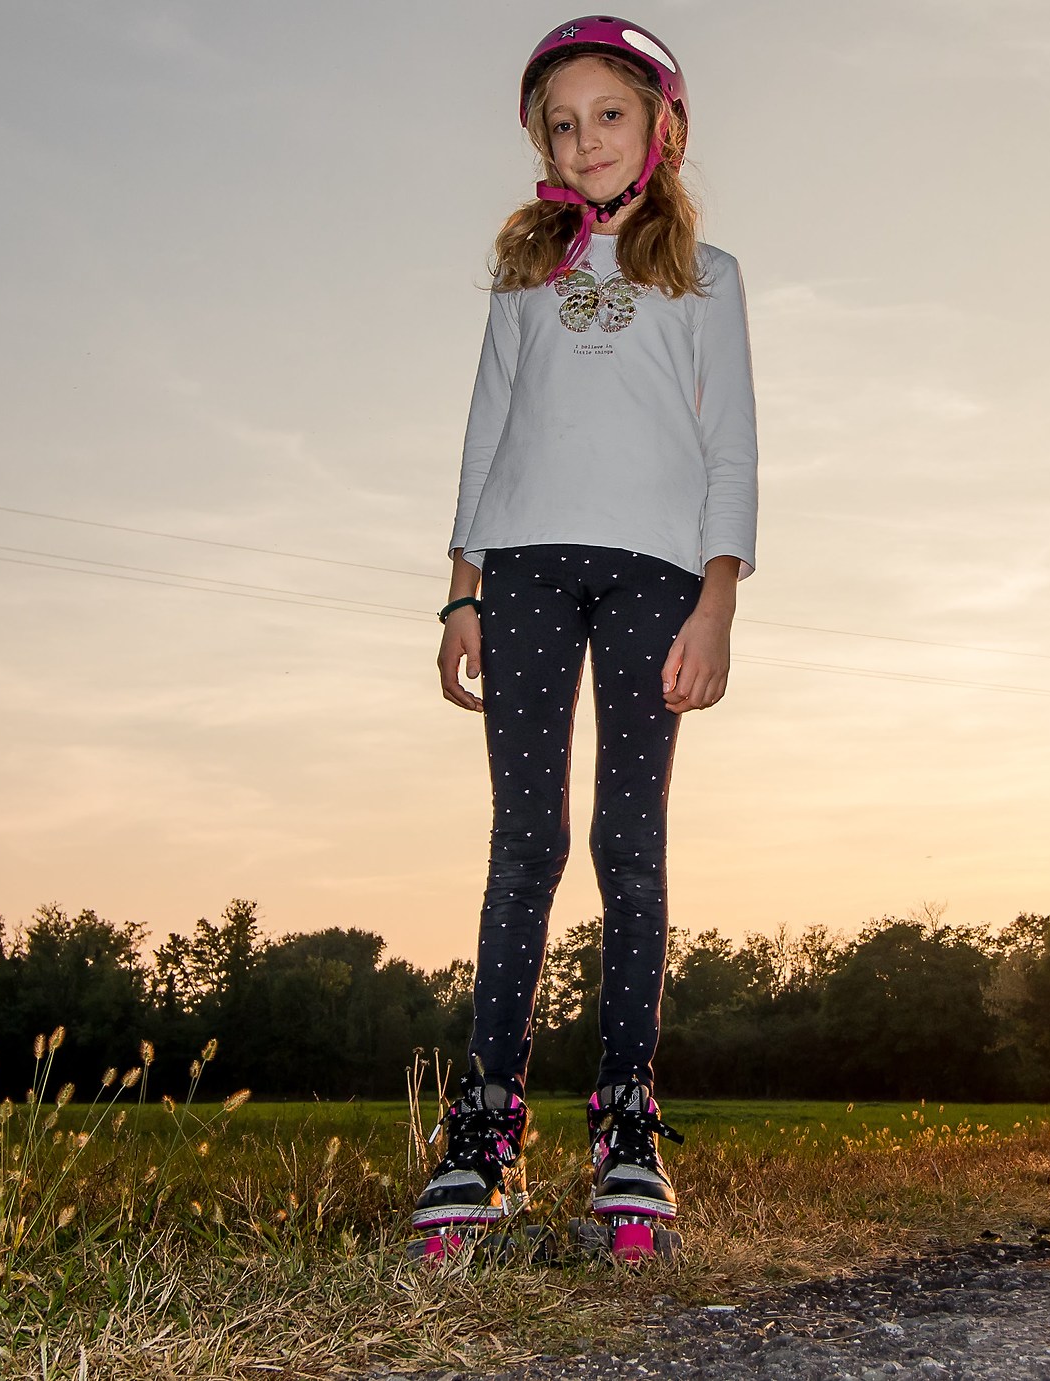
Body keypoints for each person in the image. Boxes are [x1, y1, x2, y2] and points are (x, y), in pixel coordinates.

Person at [410, 15, 755, 1263]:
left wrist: (720, 599)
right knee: (527, 839)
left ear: (662, 126)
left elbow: (732, 449)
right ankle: (484, 1127)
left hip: (660, 576)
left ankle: (625, 1126)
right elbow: (484, 428)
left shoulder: (707, 277)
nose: (585, 137)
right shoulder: (524, 278)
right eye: (562, 120)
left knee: (628, 839)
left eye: (608, 112)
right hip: (525, 571)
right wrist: (461, 591)